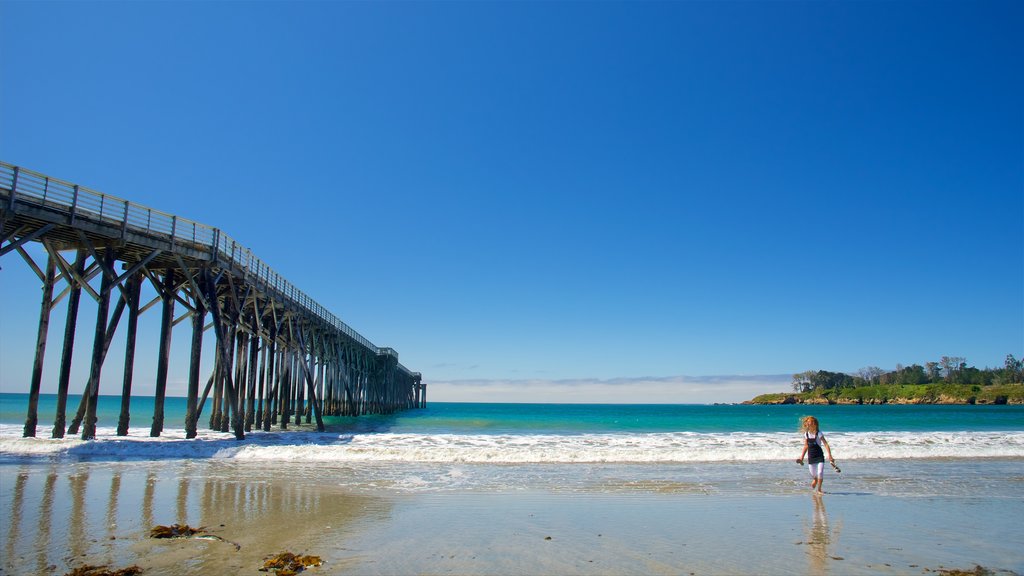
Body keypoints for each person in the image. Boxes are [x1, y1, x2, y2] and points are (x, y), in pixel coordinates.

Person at [796, 415, 835, 494]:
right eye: (809, 422)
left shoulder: (819, 433)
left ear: (815, 424)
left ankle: (819, 489)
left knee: (820, 472)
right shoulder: (806, 434)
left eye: (812, 422)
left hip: (819, 456)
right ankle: (815, 479)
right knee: (814, 474)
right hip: (811, 457)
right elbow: (806, 446)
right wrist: (801, 458)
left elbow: (826, 444)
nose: (810, 423)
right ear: (806, 424)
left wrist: (830, 455)